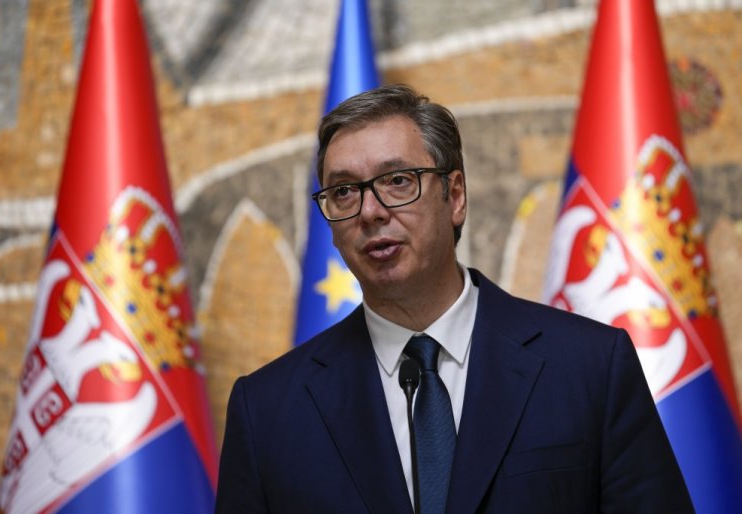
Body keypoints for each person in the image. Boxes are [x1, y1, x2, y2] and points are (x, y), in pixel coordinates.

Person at [214, 84, 694, 513]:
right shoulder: (267, 412)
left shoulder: (590, 366)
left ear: (456, 195)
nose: (371, 212)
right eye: (344, 192)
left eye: (397, 181)